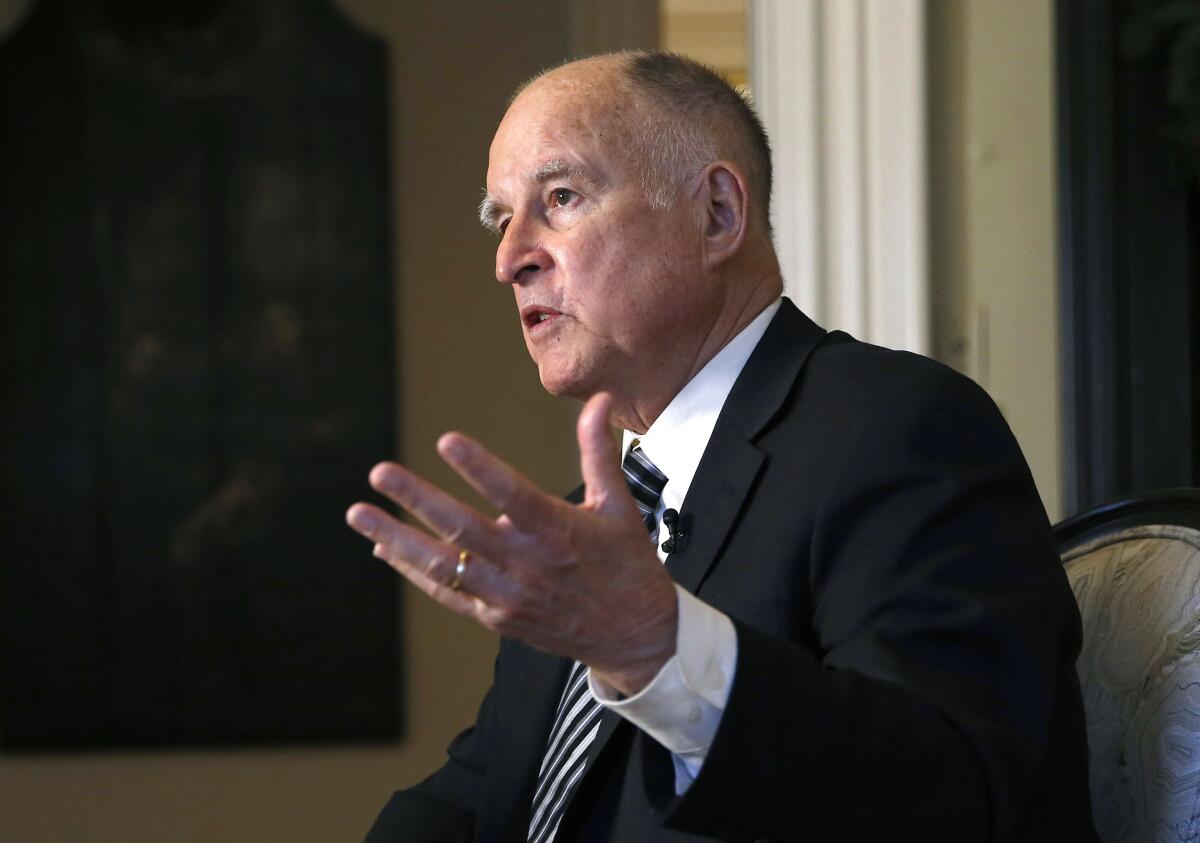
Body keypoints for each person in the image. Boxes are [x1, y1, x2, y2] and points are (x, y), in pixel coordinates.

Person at [347, 51, 1097, 842]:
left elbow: (945, 793)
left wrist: (657, 648)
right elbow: (483, 800)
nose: (509, 259)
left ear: (716, 213)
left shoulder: (900, 430)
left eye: (560, 198)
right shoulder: (587, 535)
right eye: (503, 219)